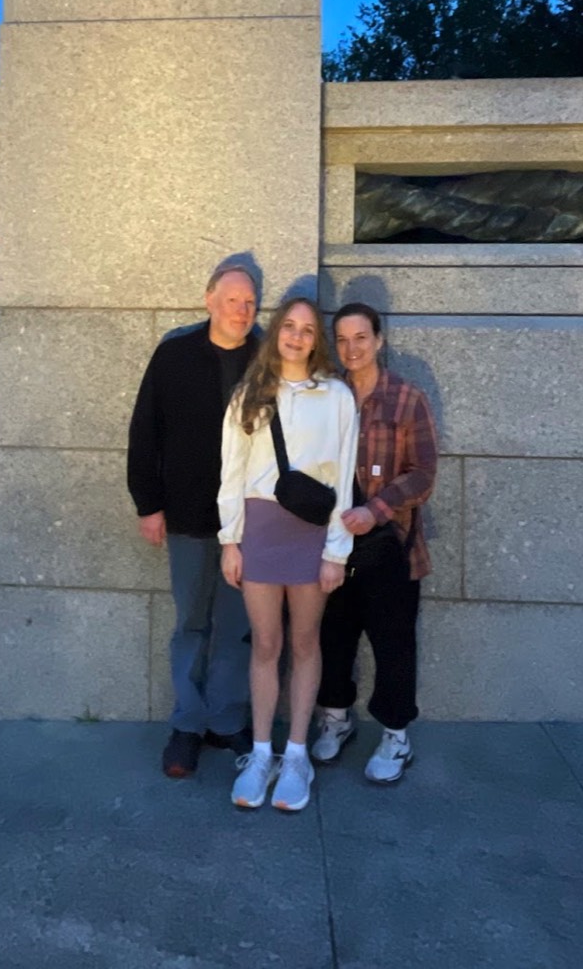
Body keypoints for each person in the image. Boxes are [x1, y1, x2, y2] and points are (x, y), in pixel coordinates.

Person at [218, 297, 358, 811]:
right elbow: (231, 473)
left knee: (304, 642)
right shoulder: (249, 396)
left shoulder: (336, 396)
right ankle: (261, 754)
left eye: (307, 330)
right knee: (265, 644)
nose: (296, 337)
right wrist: (230, 540)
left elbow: (344, 477)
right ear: (276, 332)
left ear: (316, 340)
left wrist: (336, 552)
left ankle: (296, 754)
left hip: (311, 534)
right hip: (259, 529)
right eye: (289, 327)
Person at [127, 261, 260, 778]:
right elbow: (145, 432)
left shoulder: (265, 359)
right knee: (190, 624)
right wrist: (148, 504)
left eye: (250, 302)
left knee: (235, 626)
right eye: (232, 300)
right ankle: (186, 725)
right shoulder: (174, 355)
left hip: (250, 523)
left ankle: (225, 720)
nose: (242, 311)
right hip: (185, 515)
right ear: (209, 301)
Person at [312, 301, 437, 783]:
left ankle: (395, 734)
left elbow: (423, 473)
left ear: (379, 340)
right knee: (334, 635)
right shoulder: (327, 395)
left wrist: (376, 509)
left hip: (391, 542)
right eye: (342, 340)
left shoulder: (407, 399)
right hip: (336, 540)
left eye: (361, 337)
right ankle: (337, 718)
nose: (352, 348)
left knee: (393, 641)